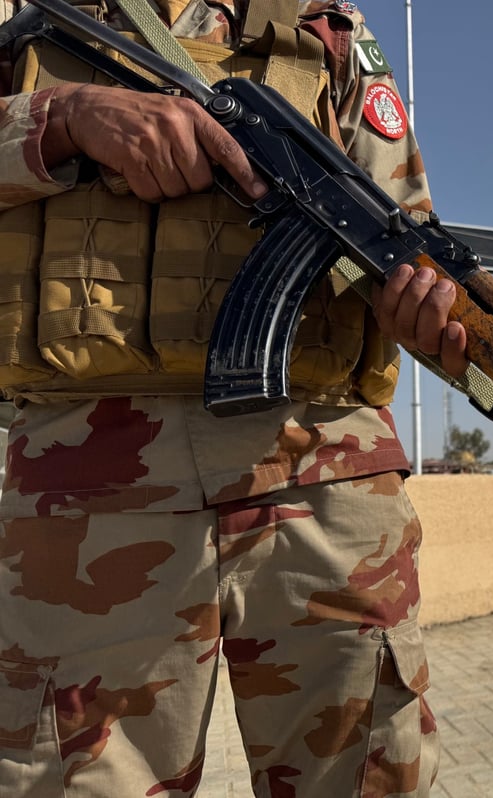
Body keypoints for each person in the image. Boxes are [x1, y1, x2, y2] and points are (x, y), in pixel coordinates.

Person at [0, 0, 466, 795]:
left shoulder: (327, 27)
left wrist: (428, 305)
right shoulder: (26, 12)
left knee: (368, 774)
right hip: (83, 488)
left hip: (324, 472)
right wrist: (65, 118)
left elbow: (403, 224)